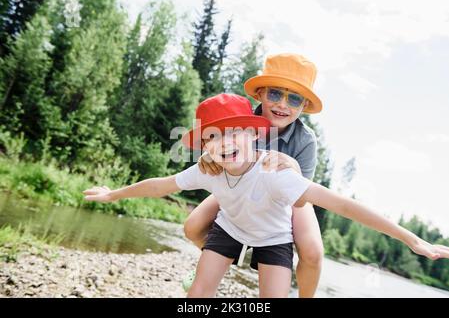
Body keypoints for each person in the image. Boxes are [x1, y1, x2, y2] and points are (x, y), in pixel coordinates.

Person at [83, 93, 449, 298]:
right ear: (204, 147)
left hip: (274, 238)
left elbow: (342, 204)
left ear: (254, 135)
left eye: (233, 133)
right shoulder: (207, 169)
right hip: (229, 229)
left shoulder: (277, 175)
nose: (223, 143)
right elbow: (159, 184)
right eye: (211, 137)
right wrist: (114, 194)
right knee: (197, 295)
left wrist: (410, 238)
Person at [184, 53, 324, 297]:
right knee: (193, 226)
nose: (282, 104)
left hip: (287, 200)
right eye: (274, 94)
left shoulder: (305, 140)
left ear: (303, 106)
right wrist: (209, 156)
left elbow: (301, 198)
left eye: (294, 99)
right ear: (260, 93)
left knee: (312, 252)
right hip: (238, 185)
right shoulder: (240, 115)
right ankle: (217, 262)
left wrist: (294, 168)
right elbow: (214, 138)